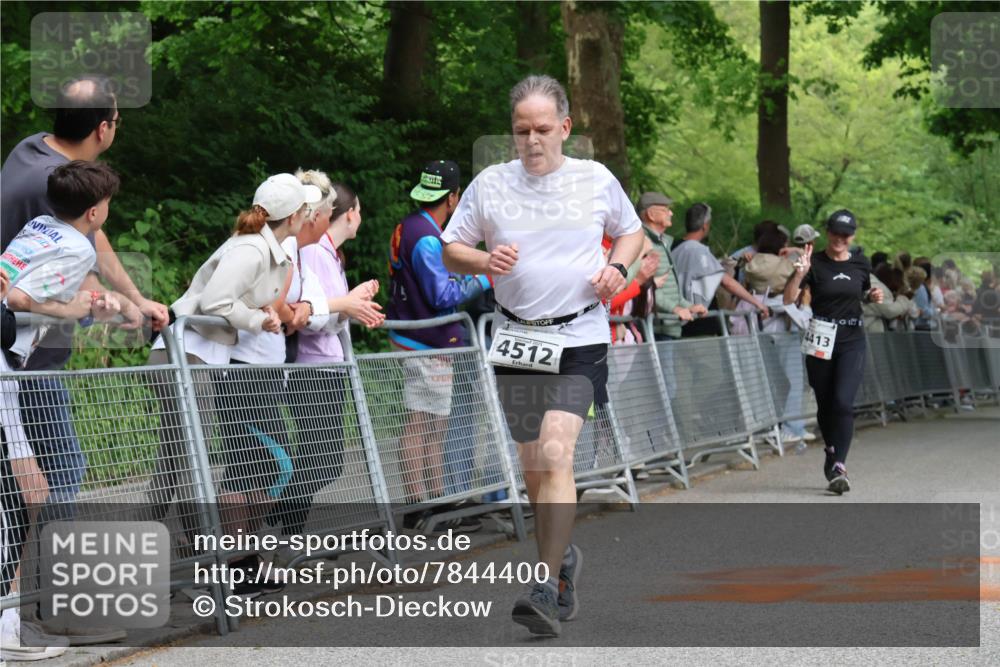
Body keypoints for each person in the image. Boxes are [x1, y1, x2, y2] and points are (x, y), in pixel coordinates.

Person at [440, 74, 644, 637]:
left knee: (555, 453)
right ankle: (563, 562)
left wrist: (617, 268)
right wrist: (484, 262)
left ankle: (544, 585)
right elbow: (452, 250)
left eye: (543, 129)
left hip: (580, 335)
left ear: (566, 128)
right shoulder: (490, 184)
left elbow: (631, 234)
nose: (531, 140)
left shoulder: (594, 179)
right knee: (535, 467)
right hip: (516, 338)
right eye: (521, 130)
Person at [145, 174, 319, 595]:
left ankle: (196, 556)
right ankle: (192, 560)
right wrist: (259, 318)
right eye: (305, 212)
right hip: (186, 356)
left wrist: (259, 310)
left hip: (200, 359)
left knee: (180, 463)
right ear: (294, 216)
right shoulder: (251, 247)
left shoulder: (264, 245)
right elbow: (215, 303)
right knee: (186, 464)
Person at [1, 161, 130, 653]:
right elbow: (21, 296)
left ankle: (17, 619)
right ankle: (18, 622)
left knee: (20, 486)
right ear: (95, 211)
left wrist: (86, 304)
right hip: (5, 363)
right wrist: (75, 308)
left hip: (10, 361)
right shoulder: (79, 245)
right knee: (22, 489)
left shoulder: (39, 226)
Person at [270, 175, 385, 554]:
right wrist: (348, 303)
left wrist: (353, 302)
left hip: (326, 365)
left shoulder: (328, 254)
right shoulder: (317, 251)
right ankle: (277, 523)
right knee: (322, 459)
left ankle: (286, 531)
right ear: (349, 215)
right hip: (313, 367)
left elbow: (329, 313)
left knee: (320, 457)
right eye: (360, 212)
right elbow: (316, 315)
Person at [387, 160, 491, 530]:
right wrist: (484, 277)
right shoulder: (429, 237)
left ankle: (437, 502)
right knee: (422, 423)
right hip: (424, 340)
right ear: (453, 197)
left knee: (433, 424)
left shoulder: (408, 226)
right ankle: (421, 505)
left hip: (416, 337)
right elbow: (441, 294)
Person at [783, 209, 883, 495]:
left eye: (846, 234)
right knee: (825, 404)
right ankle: (830, 450)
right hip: (820, 338)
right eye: (835, 233)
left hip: (852, 339)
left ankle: (839, 465)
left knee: (842, 401)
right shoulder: (813, 262)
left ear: (853, 235)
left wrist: (871, 295)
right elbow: (788, 299)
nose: (840, 238)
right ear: (827, 232)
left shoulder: (861, 262)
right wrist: (799, 273)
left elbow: (860, 292)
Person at [672, 203, 770, 335]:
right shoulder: (698, 250)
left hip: (675, 320)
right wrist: (757, 303)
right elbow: (726, 282)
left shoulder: (672, 246)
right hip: (700, 322)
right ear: (705, 225)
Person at [634, 192, 705, 340]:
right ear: (651, 214)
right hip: (655, 328)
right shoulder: (643, 242)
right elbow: (644, 287)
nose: (671, 213)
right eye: (666, 209)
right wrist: (675, 309)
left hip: (665, 326)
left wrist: (687, 306)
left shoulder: (661, 242)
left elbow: (667, 288)